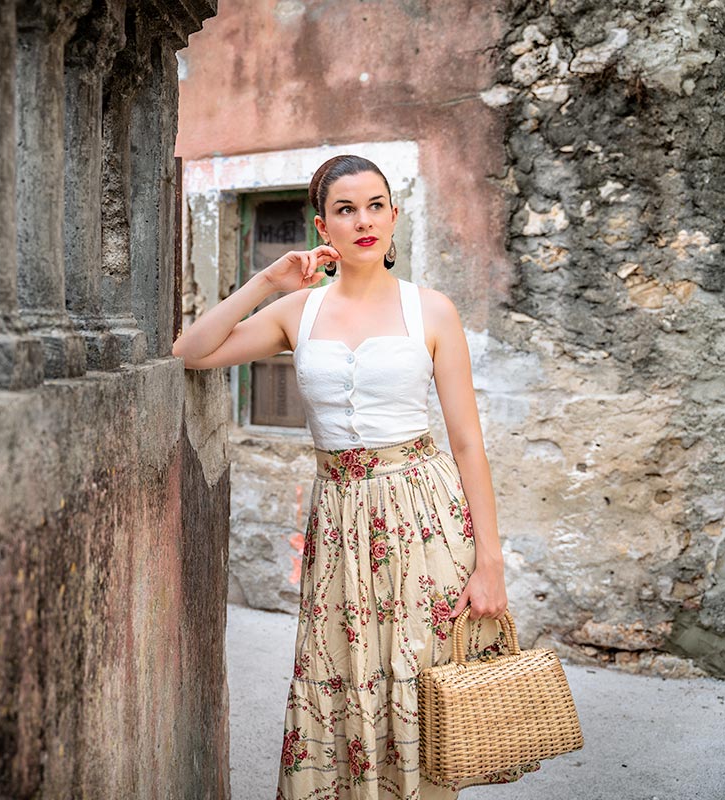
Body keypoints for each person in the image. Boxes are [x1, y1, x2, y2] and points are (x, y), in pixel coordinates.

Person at [172, 155, 541, 798]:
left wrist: (491, 564)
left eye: (376, 205)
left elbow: (467, 444)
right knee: (338, 675)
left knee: (418, 681)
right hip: (341, 518)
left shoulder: (432, 311)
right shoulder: (299, 313)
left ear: (394, 217)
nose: (364, 221)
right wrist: (268, 280)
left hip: (424, 515)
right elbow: (192, 351)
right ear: (324, 226)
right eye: (346, 209)